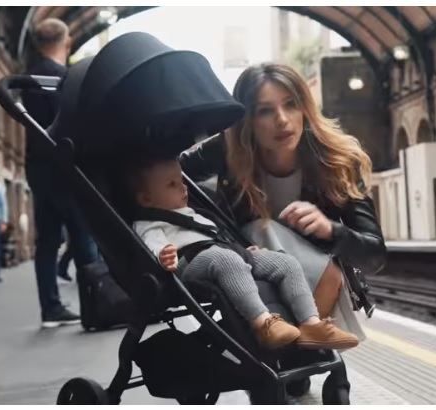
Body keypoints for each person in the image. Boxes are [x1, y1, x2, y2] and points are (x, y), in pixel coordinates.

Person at [180, 63, 386, 338]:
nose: (282, 120)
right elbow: (171, 175)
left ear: (305, 108)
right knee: (260, 227)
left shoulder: (336, 160)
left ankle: (301, 349)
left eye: (291, 105)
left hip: (320, 284)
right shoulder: (227, 149)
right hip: (249, 273)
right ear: (248, 120)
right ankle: (302, 351)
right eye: (265, 110)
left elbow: (374, 256)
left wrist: (331, 231)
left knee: (329, 271)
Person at [129, 155, 358, 350]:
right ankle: (263, 324)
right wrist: (162, 256)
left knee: (285, 262)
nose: (183, 187)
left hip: (223, 254)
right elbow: (150, 245)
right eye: (172, 184)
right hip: (187, 263)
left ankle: (311, 324)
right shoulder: (149, 223)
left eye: (181, 180)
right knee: (224, 259)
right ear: (146, 199)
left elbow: (216, 235)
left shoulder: (193, 213)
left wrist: (243, 250)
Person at [22, 18, 100, 328]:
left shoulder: (27, 76)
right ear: (67, 42)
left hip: (38, 168)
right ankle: (97, 303)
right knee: (83, 236)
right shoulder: (65, 78)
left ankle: (50, 308)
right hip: (66, 167)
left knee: (47, 240)